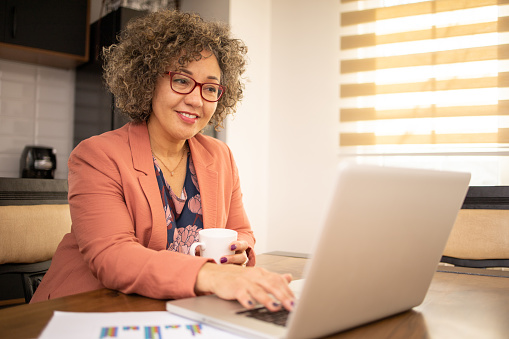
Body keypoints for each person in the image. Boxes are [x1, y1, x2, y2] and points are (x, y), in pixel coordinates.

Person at [31, 9, 294, 312]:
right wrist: (211, 274)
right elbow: (112, 256)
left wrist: (239, 251)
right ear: (147, 81)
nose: (196, 100)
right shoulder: (97, 156)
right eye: (182, 81)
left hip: (175, 310)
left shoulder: (220, 156)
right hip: (87, 310)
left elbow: (241, 231)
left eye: (210, 88)